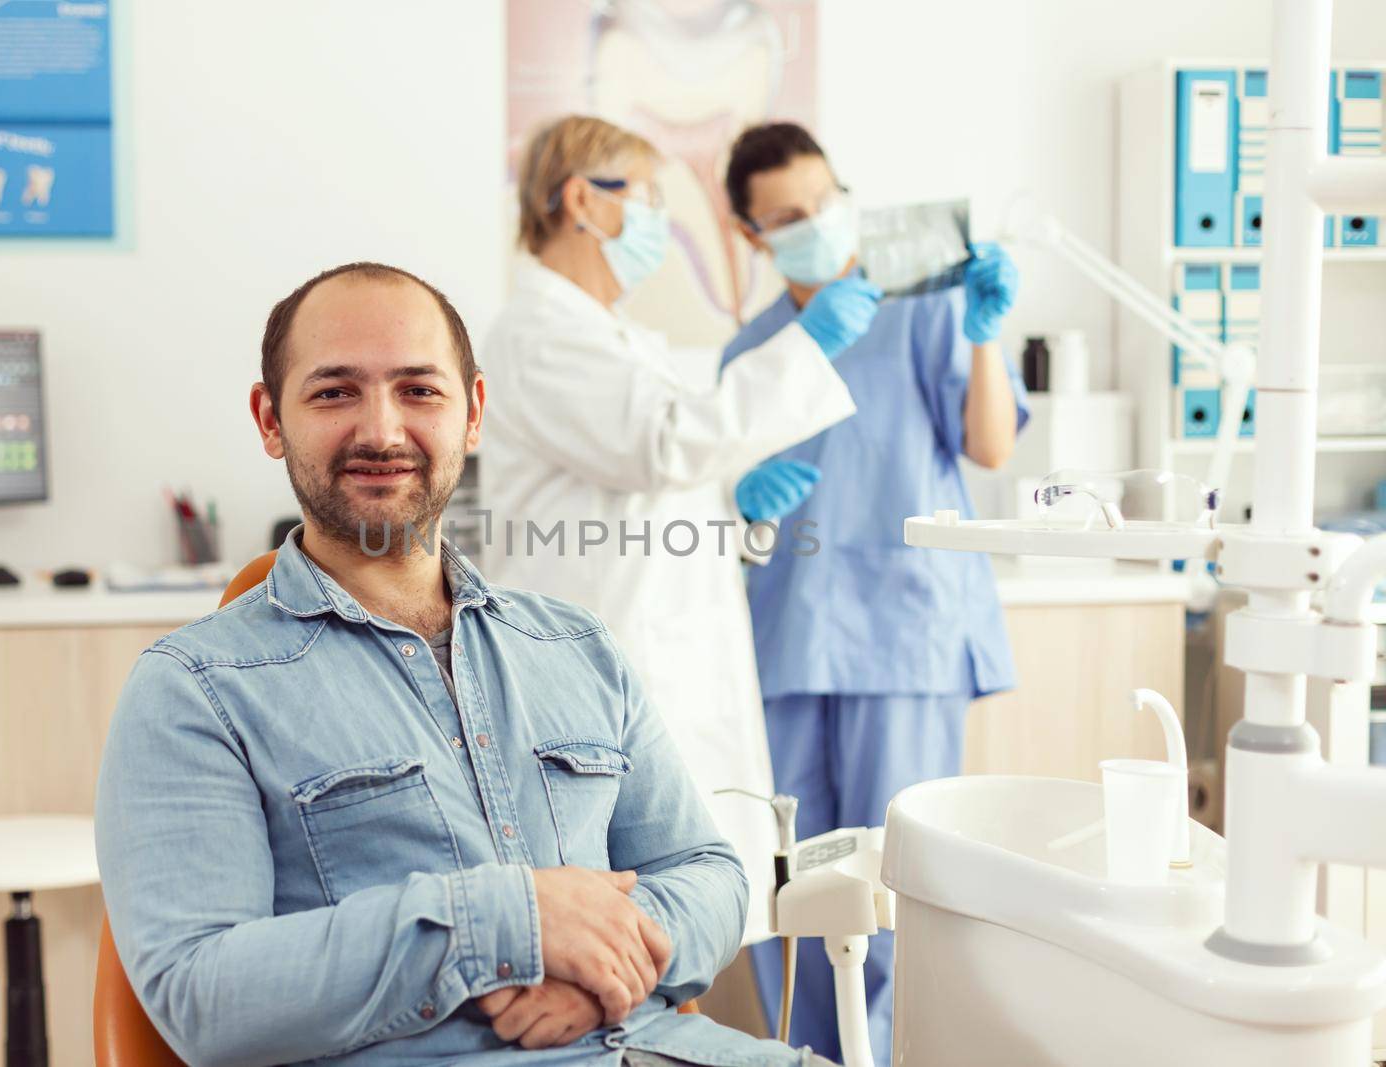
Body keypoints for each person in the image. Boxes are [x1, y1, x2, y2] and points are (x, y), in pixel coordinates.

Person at [94, 262, 837, 1067]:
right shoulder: (194, 689)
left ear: (473, 413)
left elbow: (709, 872)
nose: (381, 430)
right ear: (270, 419)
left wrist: (595, 967)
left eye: (419, 390)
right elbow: (203, 997)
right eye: (335, 392)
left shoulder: (576, 646)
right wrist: (504, 923)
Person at [480, 115, 877, 945]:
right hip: (595, 670)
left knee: (667, 920)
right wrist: (810, 344)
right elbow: (661, 445)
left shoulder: (616, 338)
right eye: (651, 198)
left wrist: (734, 504)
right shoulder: (540, 333)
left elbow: (660, 480)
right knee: (619, 926)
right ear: (584, 201)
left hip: (648, 658)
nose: (660, 221)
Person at [720, 122, 1029, 1066]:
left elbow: (990, 447)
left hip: (907, 631)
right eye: (786, 217)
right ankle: (807, 1058)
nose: (814, 224)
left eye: (823, 201)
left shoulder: (924, 307)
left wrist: (983, 336)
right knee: (798, 891)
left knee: (898, 888)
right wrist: (732, 498)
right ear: (750, 234)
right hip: (785, 642)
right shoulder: (751, 353)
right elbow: (720, 506)